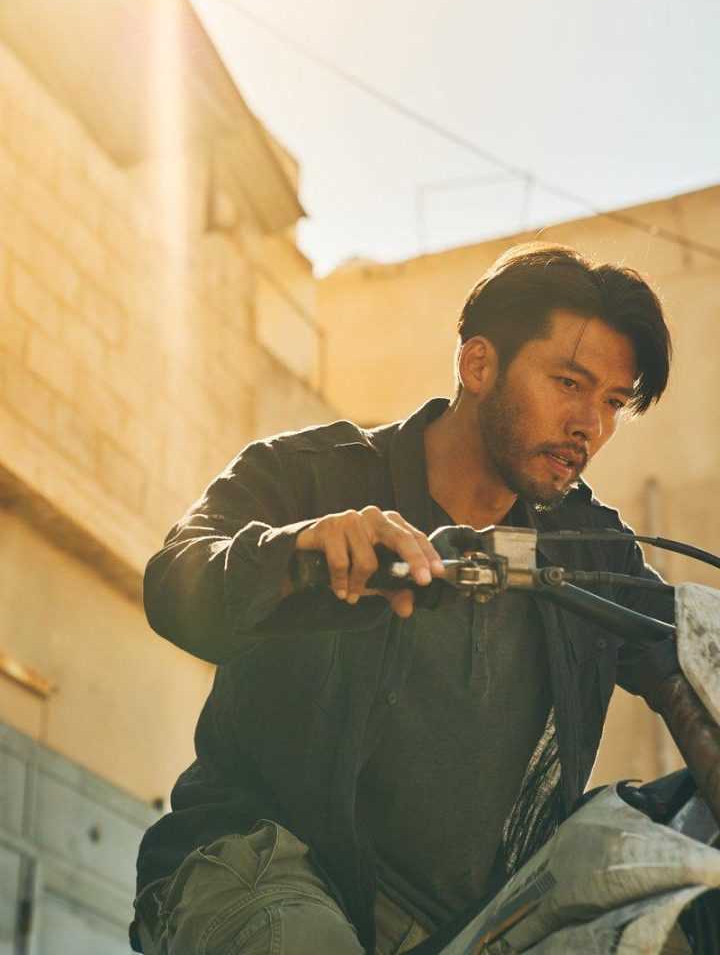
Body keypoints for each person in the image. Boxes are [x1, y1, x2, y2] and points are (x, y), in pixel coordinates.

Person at [130, 244, 678, 955]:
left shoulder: (591, 551)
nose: (590, 426)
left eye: (611, 403)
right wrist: (300, 554)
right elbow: (174, 581)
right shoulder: (309, 473)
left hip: (471, 926)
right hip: (264, 865)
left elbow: (687, 655)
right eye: (569, 383)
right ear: (478, 365)